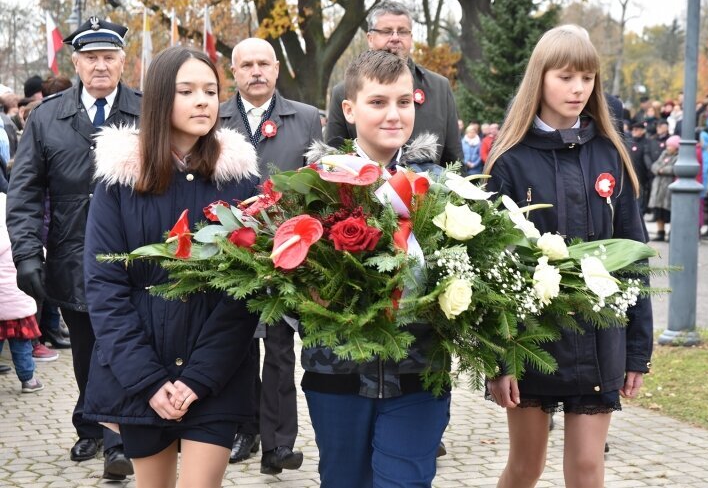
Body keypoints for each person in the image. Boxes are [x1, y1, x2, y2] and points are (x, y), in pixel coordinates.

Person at [82, 46, 260, 488]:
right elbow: (104, 285)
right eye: (187, 91)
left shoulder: (239, 180)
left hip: (215, 369)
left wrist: (200, 376)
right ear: (161, 98)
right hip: (141, 368)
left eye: (210, 91)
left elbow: (248, 287)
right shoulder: (120, 180)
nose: (203, 101)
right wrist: (146, 379)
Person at [484, 25, 652, 488]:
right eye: (566, 77)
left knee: (586, 468)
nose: (578, 89)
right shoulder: (510, 160)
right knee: (525, 466)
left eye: (588, 77)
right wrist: (501, 360)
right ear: (540, 78)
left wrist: (638, 352)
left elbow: (634, 255)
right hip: (533, 341)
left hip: (599, 338)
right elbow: (492, 268)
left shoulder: (610, 153)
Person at [303, 49, 450, 488]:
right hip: (337, 375)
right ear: (349, 110)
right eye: (378, 102)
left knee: (405, 481)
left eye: (404, 102)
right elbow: (284, 286)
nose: (393, 114)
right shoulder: (317, 184)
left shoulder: (439, 186)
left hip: (419, 373)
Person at [6, 16, 141, 478]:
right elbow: (24, 191)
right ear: (76, 62)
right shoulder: (47, 117)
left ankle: (119, 438)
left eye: (109, 57)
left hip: (136, 255)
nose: (100, 66)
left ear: (124, 62)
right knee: (86, 348)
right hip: (72, 253)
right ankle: (91, 422)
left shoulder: (148, 111)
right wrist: (26, 254)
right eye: (91, 58)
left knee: (121, 343)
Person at [219, 37, 318, 471]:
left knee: (280, 348)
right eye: (247, 65)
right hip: (229, 252)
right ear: (234, 73)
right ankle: (246, 430)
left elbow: (323, 183)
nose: (256, 71)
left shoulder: (308, 118)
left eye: (264, 64)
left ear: (277, 70)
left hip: (288, 251)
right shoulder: (215, 119)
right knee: (237, 347)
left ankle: (280, 443)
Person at [325, 0, 462, 167]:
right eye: (387, 31)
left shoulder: (439, 87)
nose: (395, 38)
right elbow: (334, 157)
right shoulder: (344, 90)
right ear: (370, 38)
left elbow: (454, 161)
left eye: (403, 32)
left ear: (411, 38)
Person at [0, 192, 45, 394]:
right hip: (19, 306)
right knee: (22, 346)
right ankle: (28, 380)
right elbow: (41, 255)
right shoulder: (20, 240)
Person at [648, 135, 680, 241]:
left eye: (670, 146)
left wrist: (662, 170)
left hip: (668, 188)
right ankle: (660, 233)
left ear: (676, 147)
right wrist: (659, 169)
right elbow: (654, 166)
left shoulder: (679, 156)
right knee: (658, 212)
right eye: (667, 146)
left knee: (669, 212)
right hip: (658, 188)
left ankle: (672, 233)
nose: (668, 148)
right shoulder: (664, 154)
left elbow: (676, 169)